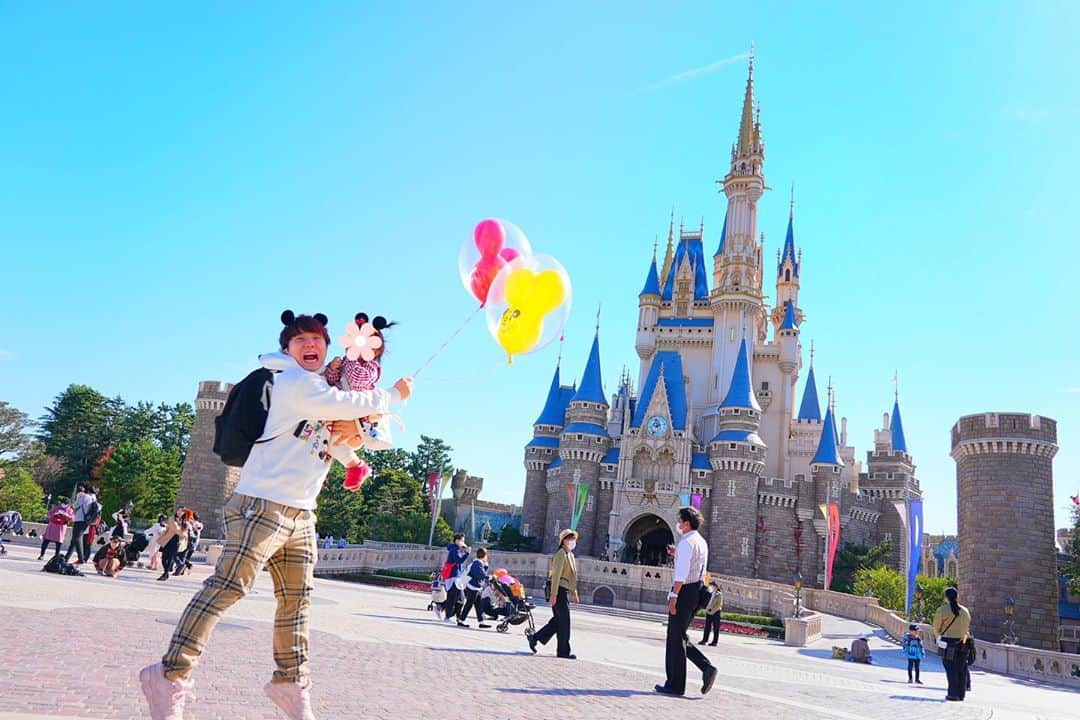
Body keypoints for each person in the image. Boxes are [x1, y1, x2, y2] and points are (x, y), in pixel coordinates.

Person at [140, 310, 412, 720]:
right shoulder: (294, 383)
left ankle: (290, 684)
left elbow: (371, 433)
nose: (309, 345)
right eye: (299, 340)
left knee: (297, 602)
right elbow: (346, 403)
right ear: (286, 348)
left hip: (302, 512)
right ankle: (168, 674)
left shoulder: (324, 387)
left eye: (316, 340)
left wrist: (363, 434)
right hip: (261, 504)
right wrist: (392, 394)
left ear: (327, 347)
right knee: (228, 587)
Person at [322, 312, 396, 490]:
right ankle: (355, 466)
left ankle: (355, 466)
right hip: (338, 406)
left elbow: (357, 381)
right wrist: (333, 369)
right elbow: (332, 381)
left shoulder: (371, 368)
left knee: (335, 438)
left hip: (356, 413)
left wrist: (350, 361)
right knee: (329, 439)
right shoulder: (347, 361)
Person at [655, 507, 717, 697]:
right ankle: (705, 669)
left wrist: (674, 597)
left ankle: (676, 684)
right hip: (697, 590)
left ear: (686, 523)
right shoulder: (701, 542)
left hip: (684, 591)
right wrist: (678, 554)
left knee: (675, 636)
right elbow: (697, 566)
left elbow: (681, 575)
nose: (678, 524)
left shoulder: (685, 543)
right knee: (678, 636)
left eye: (680, 521)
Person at [528, 528, 579, 659]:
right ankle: (563, 651)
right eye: (569, 538)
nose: (572, 541)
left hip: (565, 591)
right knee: (564, 622)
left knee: (558, 621)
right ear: (563, 540)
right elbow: (556, 576)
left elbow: (572, 577)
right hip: (559, 591)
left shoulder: (570, 555)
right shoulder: (561, 554)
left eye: (573, 538)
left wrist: (574, 592)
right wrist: (554, 594)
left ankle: (535, 638)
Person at [932, 586, 972, 702]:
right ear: (957, 597)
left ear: (946, 598)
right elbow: (967, 627)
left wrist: (939, 636)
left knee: (951, 668)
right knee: (961, 669)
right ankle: (961, 694)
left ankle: (953, 693)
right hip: (963, 642)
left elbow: (936, 627)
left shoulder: (942, 610)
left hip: (948, 643)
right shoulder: (965, 611)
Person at [437, 533, 471, 622]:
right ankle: (448, 617)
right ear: (456, 541)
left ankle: (456, 616)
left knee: (461, 599)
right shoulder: (454, 550)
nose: (463, 542)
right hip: (453, 577)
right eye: (462, 540)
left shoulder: (457, 550)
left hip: (457, 577)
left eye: (464, 540)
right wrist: (467, 553)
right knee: (452, 598)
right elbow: (458, 561)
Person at [457, 547, 491, 628]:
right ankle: (461, 620)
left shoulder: (479, 563)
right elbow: (480, 574)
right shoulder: (477, 563)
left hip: (476, 587)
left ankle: (481, 622)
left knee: (478, 605)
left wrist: (486, 565)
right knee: (469, 604)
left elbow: (481, 573)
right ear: (484, 555)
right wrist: (488, 577)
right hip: (473, 587)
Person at [64, 485, 98, 564]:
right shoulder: (93, 498)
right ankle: (67, 557)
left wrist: (78, 497)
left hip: (80, 519)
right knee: (74, 539)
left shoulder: (84, 497)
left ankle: (81, 558)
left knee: (77, 538)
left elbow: (74, 506)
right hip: (87, 521)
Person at [155, 510, 191, 582]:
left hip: (176, 542)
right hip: (167, 540)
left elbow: (184, 533)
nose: (179, 512)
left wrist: (180, 532)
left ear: (184, 513)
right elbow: (176, 529)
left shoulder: (186, 522)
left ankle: (165, 574)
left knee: (170, 558)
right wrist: (180, 531)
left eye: (181, 511)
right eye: (178, 511)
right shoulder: (172, 519)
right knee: (164, 558)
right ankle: (166, 572)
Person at [699, 581, 724, 646]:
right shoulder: (711, 593)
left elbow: (719, 605)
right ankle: (704, 640)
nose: (711, 587)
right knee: (707, 627)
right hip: (709, 611)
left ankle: (714, 642)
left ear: (716, 586)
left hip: (716, 612)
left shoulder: (719, 594)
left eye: (712, 586)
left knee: (716, 628)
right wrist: (707, 609)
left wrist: (712, 611)